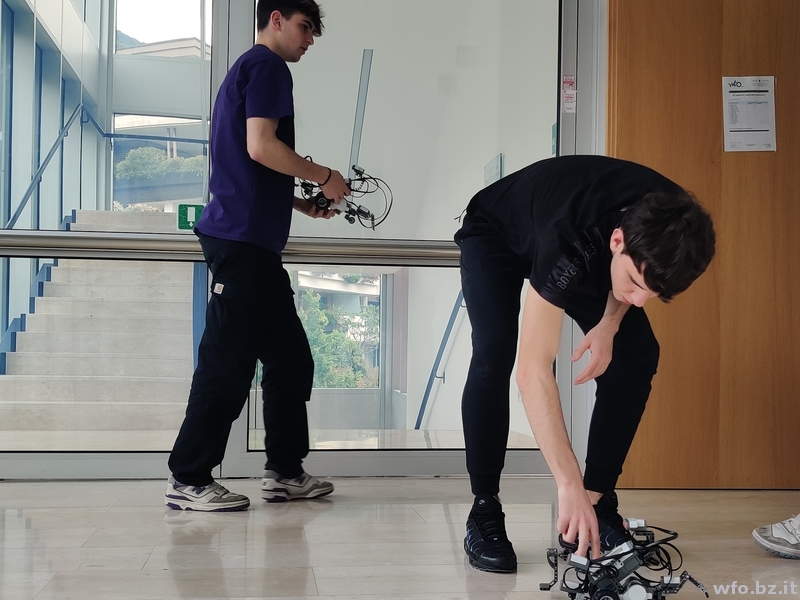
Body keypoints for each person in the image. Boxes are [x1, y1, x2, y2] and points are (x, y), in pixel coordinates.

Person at [455, 154, 716, 572]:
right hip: (496, 232)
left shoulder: (676, 225)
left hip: (583, 236)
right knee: (495, 350)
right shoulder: (571, 237)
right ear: (618, 240)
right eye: (635, 283)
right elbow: (533, 371)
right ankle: (484, 507)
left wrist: (610, 324)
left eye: (652, 294)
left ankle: (596, 504)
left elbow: (637, 285)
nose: (639, 300)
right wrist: (567, 484)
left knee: (637, 351)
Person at [164, 0, 350, 512]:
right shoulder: (267, 66)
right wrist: (324, 176)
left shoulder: (248, 68)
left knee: (291, 361)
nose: (309, 40)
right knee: (226, 365)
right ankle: (188, 478)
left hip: (255, 245)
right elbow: (261, 147)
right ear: (276, 19)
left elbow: (249, 165)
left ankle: (285, 473)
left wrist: (299, 204)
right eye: (304, 28)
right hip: (242, 242)